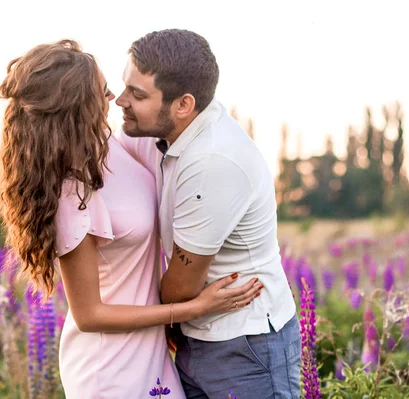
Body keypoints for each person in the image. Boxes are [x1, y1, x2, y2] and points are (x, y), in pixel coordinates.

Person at [0, 39, 261, 398]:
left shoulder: (111, 143)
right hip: (109, 368)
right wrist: (191, 309)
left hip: (151, 352)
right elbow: (89, 316)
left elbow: (182, 135)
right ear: (76, 108)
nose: (115, 98)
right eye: (103, 93)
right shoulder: (74, 191)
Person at [116, 29, 301, 398]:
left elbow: (182, 287)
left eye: (138, 94)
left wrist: (125, 306)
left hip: (245, 346)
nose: (120, 100)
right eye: (125, 86)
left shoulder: (212, 160)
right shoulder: (173, 133)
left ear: (183, 105)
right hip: (197, 333)